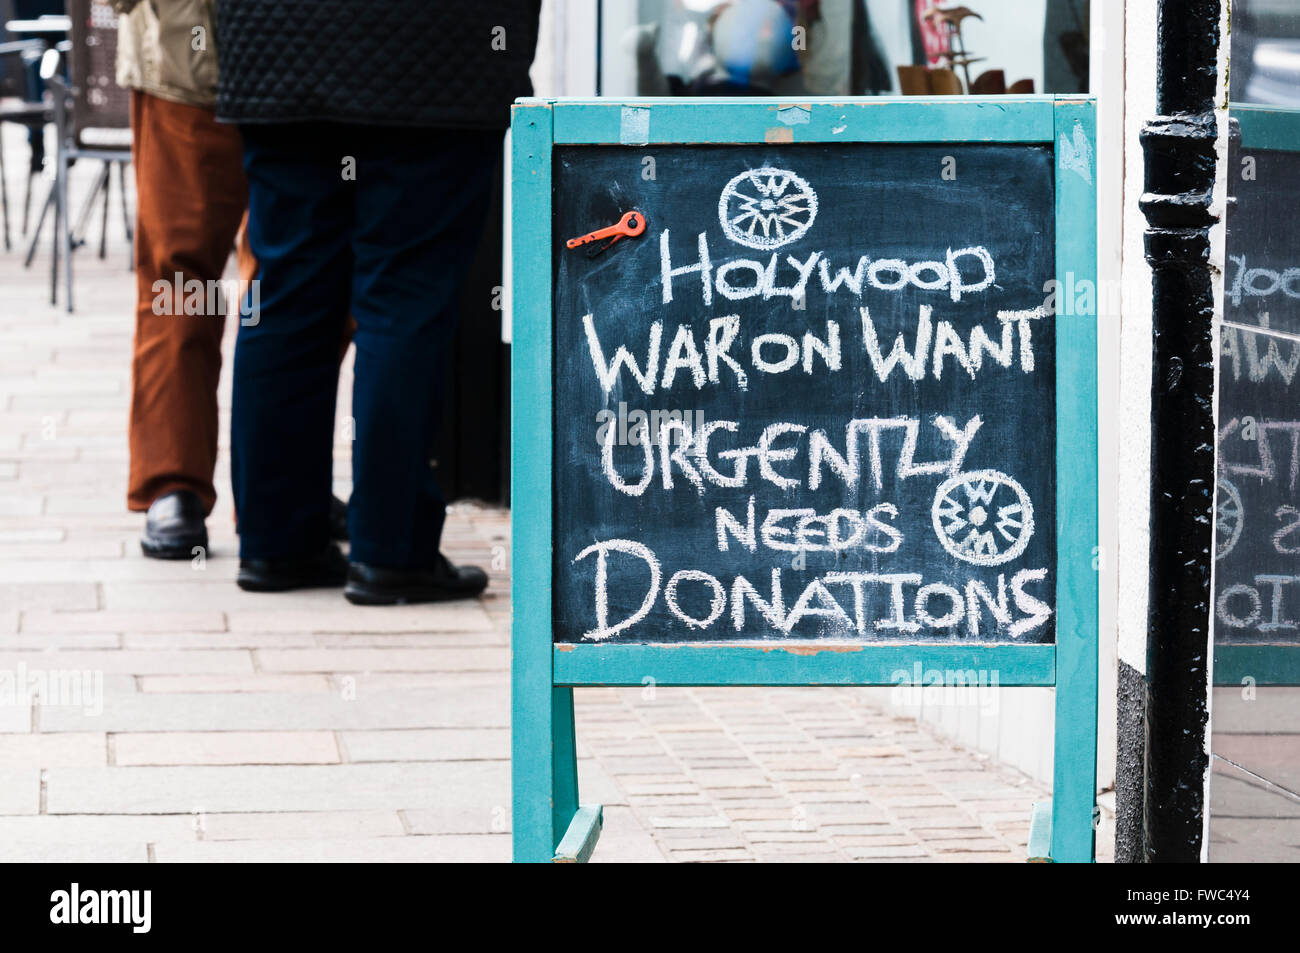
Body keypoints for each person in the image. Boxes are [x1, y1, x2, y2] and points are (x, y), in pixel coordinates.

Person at [215, 1, 539, 602]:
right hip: (433, 60)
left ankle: (276, 543)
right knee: (405, 297)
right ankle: (392, 550)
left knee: (286, 292)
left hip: (278, 50)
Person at [115, 0, 347, 558]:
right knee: (180, 285)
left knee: (295, 285)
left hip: (303, 71)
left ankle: (278, 487)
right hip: (184, 69)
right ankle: (173, 482)